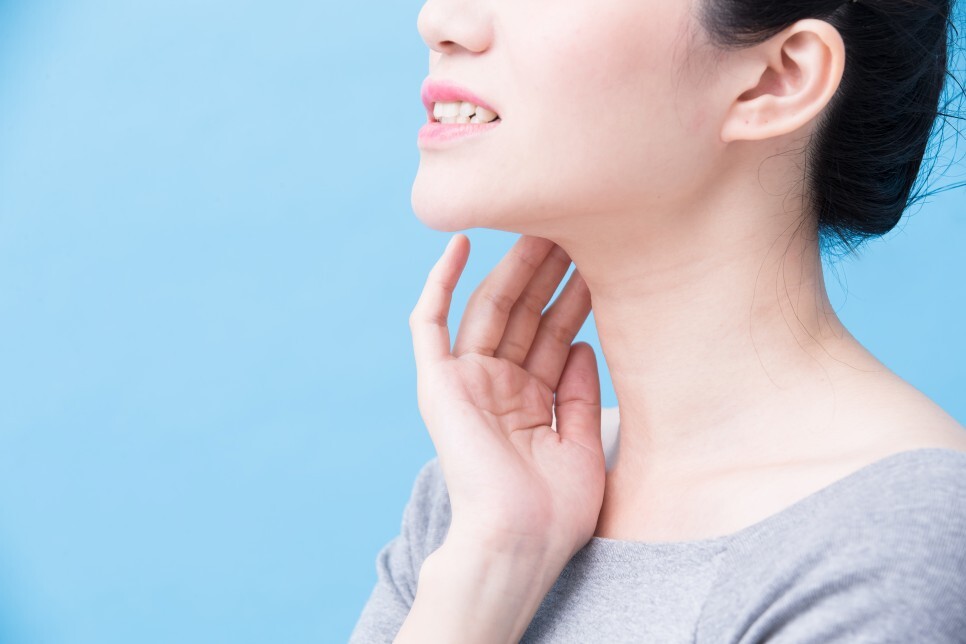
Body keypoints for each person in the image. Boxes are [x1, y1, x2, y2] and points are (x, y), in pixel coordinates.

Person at [351, 0, 966, 641]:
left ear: (776, 78)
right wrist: (491, 562)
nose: (439, 20)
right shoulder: (482, 492)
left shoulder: (889, 540)